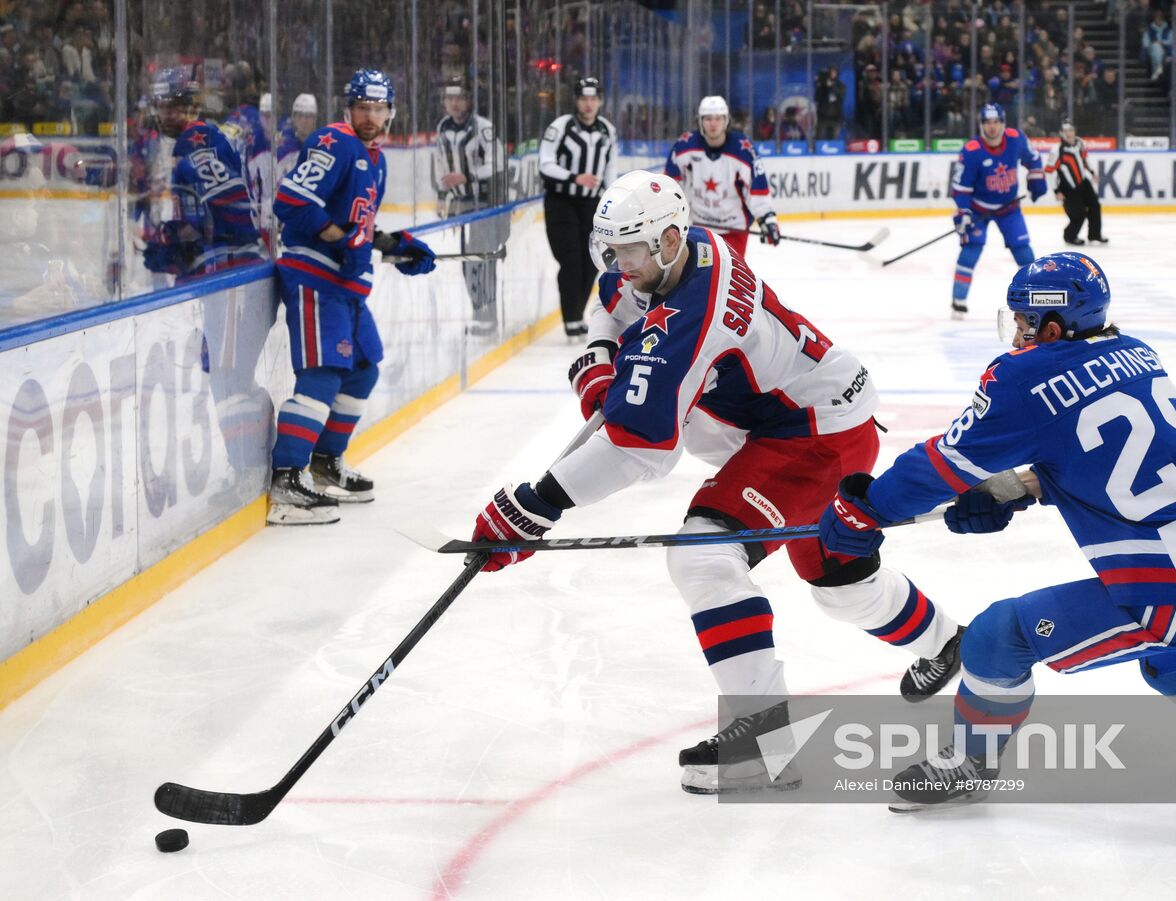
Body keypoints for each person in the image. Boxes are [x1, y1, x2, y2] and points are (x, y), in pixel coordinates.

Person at [476, 170, 963, 794]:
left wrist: (535, 504)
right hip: (792, 422)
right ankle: (947, 641)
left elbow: (644, 447)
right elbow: (609, 297)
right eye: (616, 248)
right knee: (836, 581)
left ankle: (763, 743)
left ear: (669, 241)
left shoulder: (692, 312)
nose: (619, 264)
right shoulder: (683, 251)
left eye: (629, 251)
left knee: (705, 557)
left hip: (816, 435)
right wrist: (599, 358)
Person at [815, 253, 1176, 811]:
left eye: (1022, 322)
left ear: (1052, 326)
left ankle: (969, 764)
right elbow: (1099, 449)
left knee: (998, 636)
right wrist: (1014, 488)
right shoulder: (1136, 352)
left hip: (1171, 586)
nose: (1015, 334)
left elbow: (937, 468)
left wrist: (865, 510)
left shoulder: (1023, 377)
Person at [266, 68, 437, 526]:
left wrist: (392, 245)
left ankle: (324, 463)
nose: (370, 115)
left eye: (379, 108)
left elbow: (356, 228)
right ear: (349, 108)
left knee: (363, 368)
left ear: (391, 112)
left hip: (346, 286)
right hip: (317, 279)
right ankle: (287, 479)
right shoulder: (335, 141)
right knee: (324, 373)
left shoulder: (374, 158)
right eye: (363, 106)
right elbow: (292, 201)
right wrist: (339, 237)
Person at [141, 68, 262, 281]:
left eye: (172, 108)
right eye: (161, 107)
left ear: (190, 107)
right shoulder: (201, 137)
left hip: (225, 262)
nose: (164, 115)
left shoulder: (196, 140)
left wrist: (173, 243)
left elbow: (225, 211)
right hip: (228, 257)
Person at [947, 103, 1047, 320]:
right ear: (981, 125)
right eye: (987, 123)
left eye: (996, 122)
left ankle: (1037, 296)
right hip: (978, 208)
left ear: (1003, 123)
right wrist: (963, 212)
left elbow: (1033, 158)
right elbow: (961, 187)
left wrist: (1036, 177)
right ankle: (959, 300)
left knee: (1022, 249)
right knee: (971, 249)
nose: (992, 127)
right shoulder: (972, 151)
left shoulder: (1016, 138)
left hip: (1009, 206)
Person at [539, 76, 617, 338]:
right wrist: (574, 177)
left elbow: (610, 168)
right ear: (576, 100)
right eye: (584, 99)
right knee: (570, 259)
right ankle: (571, 319)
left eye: (593, 99)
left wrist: (612, 198)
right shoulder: (560, 127)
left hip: (592, 204)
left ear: (600, 101)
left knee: (592, 261)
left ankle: (576, 315)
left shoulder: (607, 130)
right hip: (561, 201)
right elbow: (545, 163)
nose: (588, 104)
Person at [664, 95, 781, 260]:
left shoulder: (743, 149)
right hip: (699, 230)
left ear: (726, 121)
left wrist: (767, 220)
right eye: (708, 118)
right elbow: (671, 187)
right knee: (700, 281)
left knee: (729, 282)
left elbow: (757, 189)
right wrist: (669, 217)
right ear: (700, 121)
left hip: (734, 231)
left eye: (718, 118)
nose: (713, 123)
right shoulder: (684, 146)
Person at [433, 77, 504, 335]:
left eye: (459, 97)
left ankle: (488, 315)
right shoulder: (442, 127)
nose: (454, 103)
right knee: (467, 261)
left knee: (482, 259)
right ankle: (479, 312)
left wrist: (468, 176)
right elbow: (441, 163)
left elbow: (498, 163)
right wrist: (442, 195)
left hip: (485, 204)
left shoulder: (483, 127)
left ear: (469, 100)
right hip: (461, 204)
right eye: (449, 98)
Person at [1048, 119, 1106, 247]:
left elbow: (1085, 159)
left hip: (1083, 182)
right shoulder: (1057, 150)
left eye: (1070, 130)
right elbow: (1049, 171)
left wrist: (1092, 173)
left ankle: (1094, 235)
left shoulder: (1080, 143)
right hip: (1067, 187)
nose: (1068, 133)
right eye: (1065, 131)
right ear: (1061, 133)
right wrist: (1056, 191)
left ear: (1074, 131)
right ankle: (1069, 236)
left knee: (1095, 206)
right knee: (1079, 214)